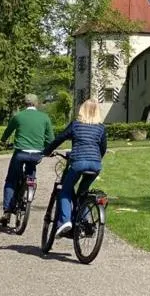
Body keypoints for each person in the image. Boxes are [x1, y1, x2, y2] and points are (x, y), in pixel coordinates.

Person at [44, 99, 107, 236]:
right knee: (83, 192)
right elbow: (103, 148)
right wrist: (95, 159)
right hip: (95, 164)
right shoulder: (101, 128)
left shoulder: (75, 125)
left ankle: (65, 221)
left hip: (78, 162)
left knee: (65, 190)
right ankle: (83, 223)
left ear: (82, 110)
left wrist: (47, 151)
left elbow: (59, 139)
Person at [0, 94, 54, 226]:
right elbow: (50, 139)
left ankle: (7, 211)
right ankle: (29, 187)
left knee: (11, 180)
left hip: (20, 153)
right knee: (31, 173)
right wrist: (49, 150)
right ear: (36, 104)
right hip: (36, 155)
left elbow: (8, 131)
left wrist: (2, 142)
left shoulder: (18, 116)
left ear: (25, 104)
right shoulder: (44, 118)